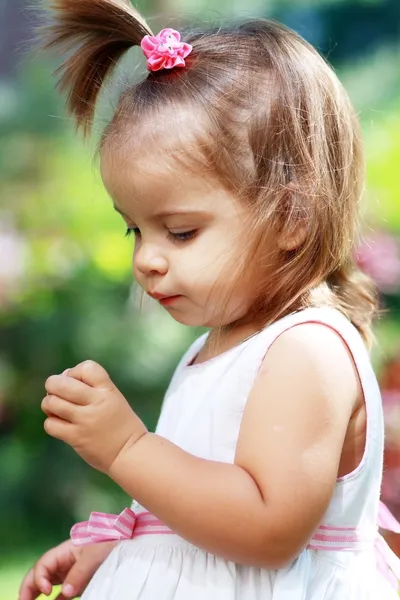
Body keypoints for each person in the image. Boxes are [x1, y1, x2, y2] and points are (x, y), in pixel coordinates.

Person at [19, 0, 400, 598]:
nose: (146, 257)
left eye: (181, 231)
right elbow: (204, 512)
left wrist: (128, 448)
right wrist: (129, 542)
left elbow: (268, 529)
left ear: (291, 217)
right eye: (134, 229)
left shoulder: (307, 352)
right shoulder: (216, 347)